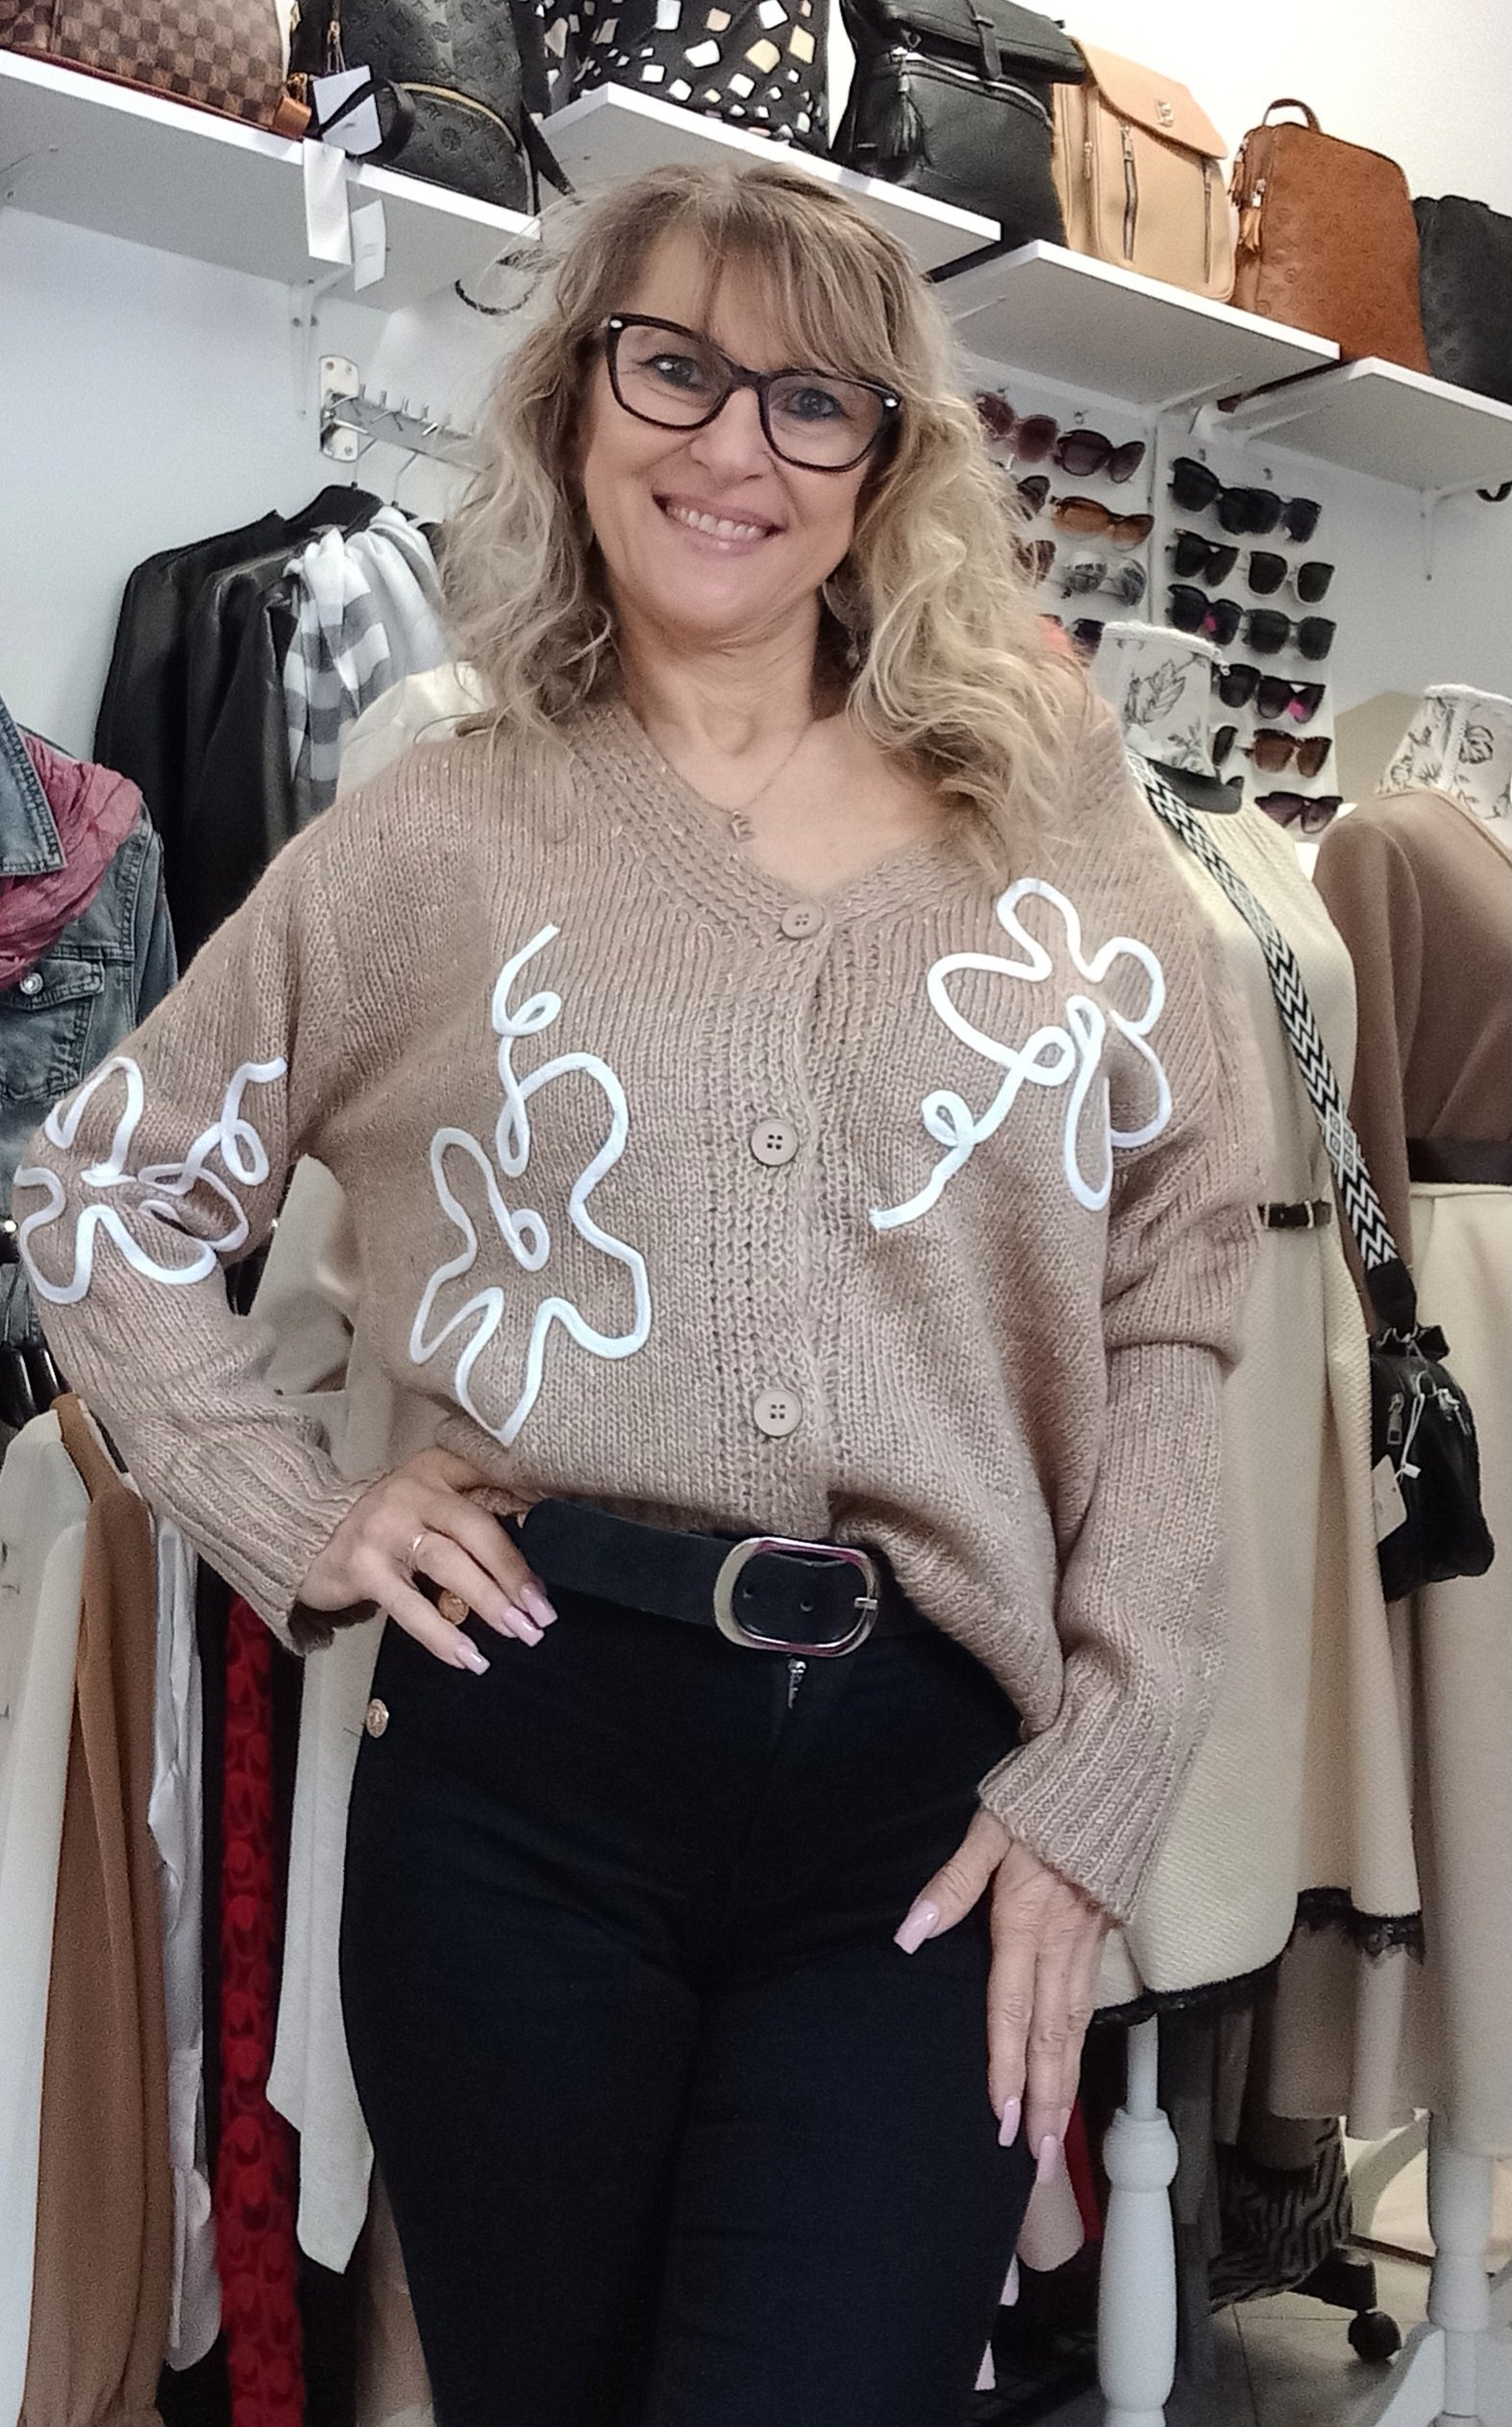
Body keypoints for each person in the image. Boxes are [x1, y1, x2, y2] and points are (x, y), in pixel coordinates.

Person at [18, 161, 1258, 2427]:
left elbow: (1183, 1277)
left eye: (811, 399)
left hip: (917, 1826)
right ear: (577, 400)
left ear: (882, 462)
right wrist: (305, 1516)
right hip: (522, 1784)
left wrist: (1108, 1762)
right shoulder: (435, 832)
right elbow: (99, 1189)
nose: (730, 446)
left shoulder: (1045, 815)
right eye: (673, 366)